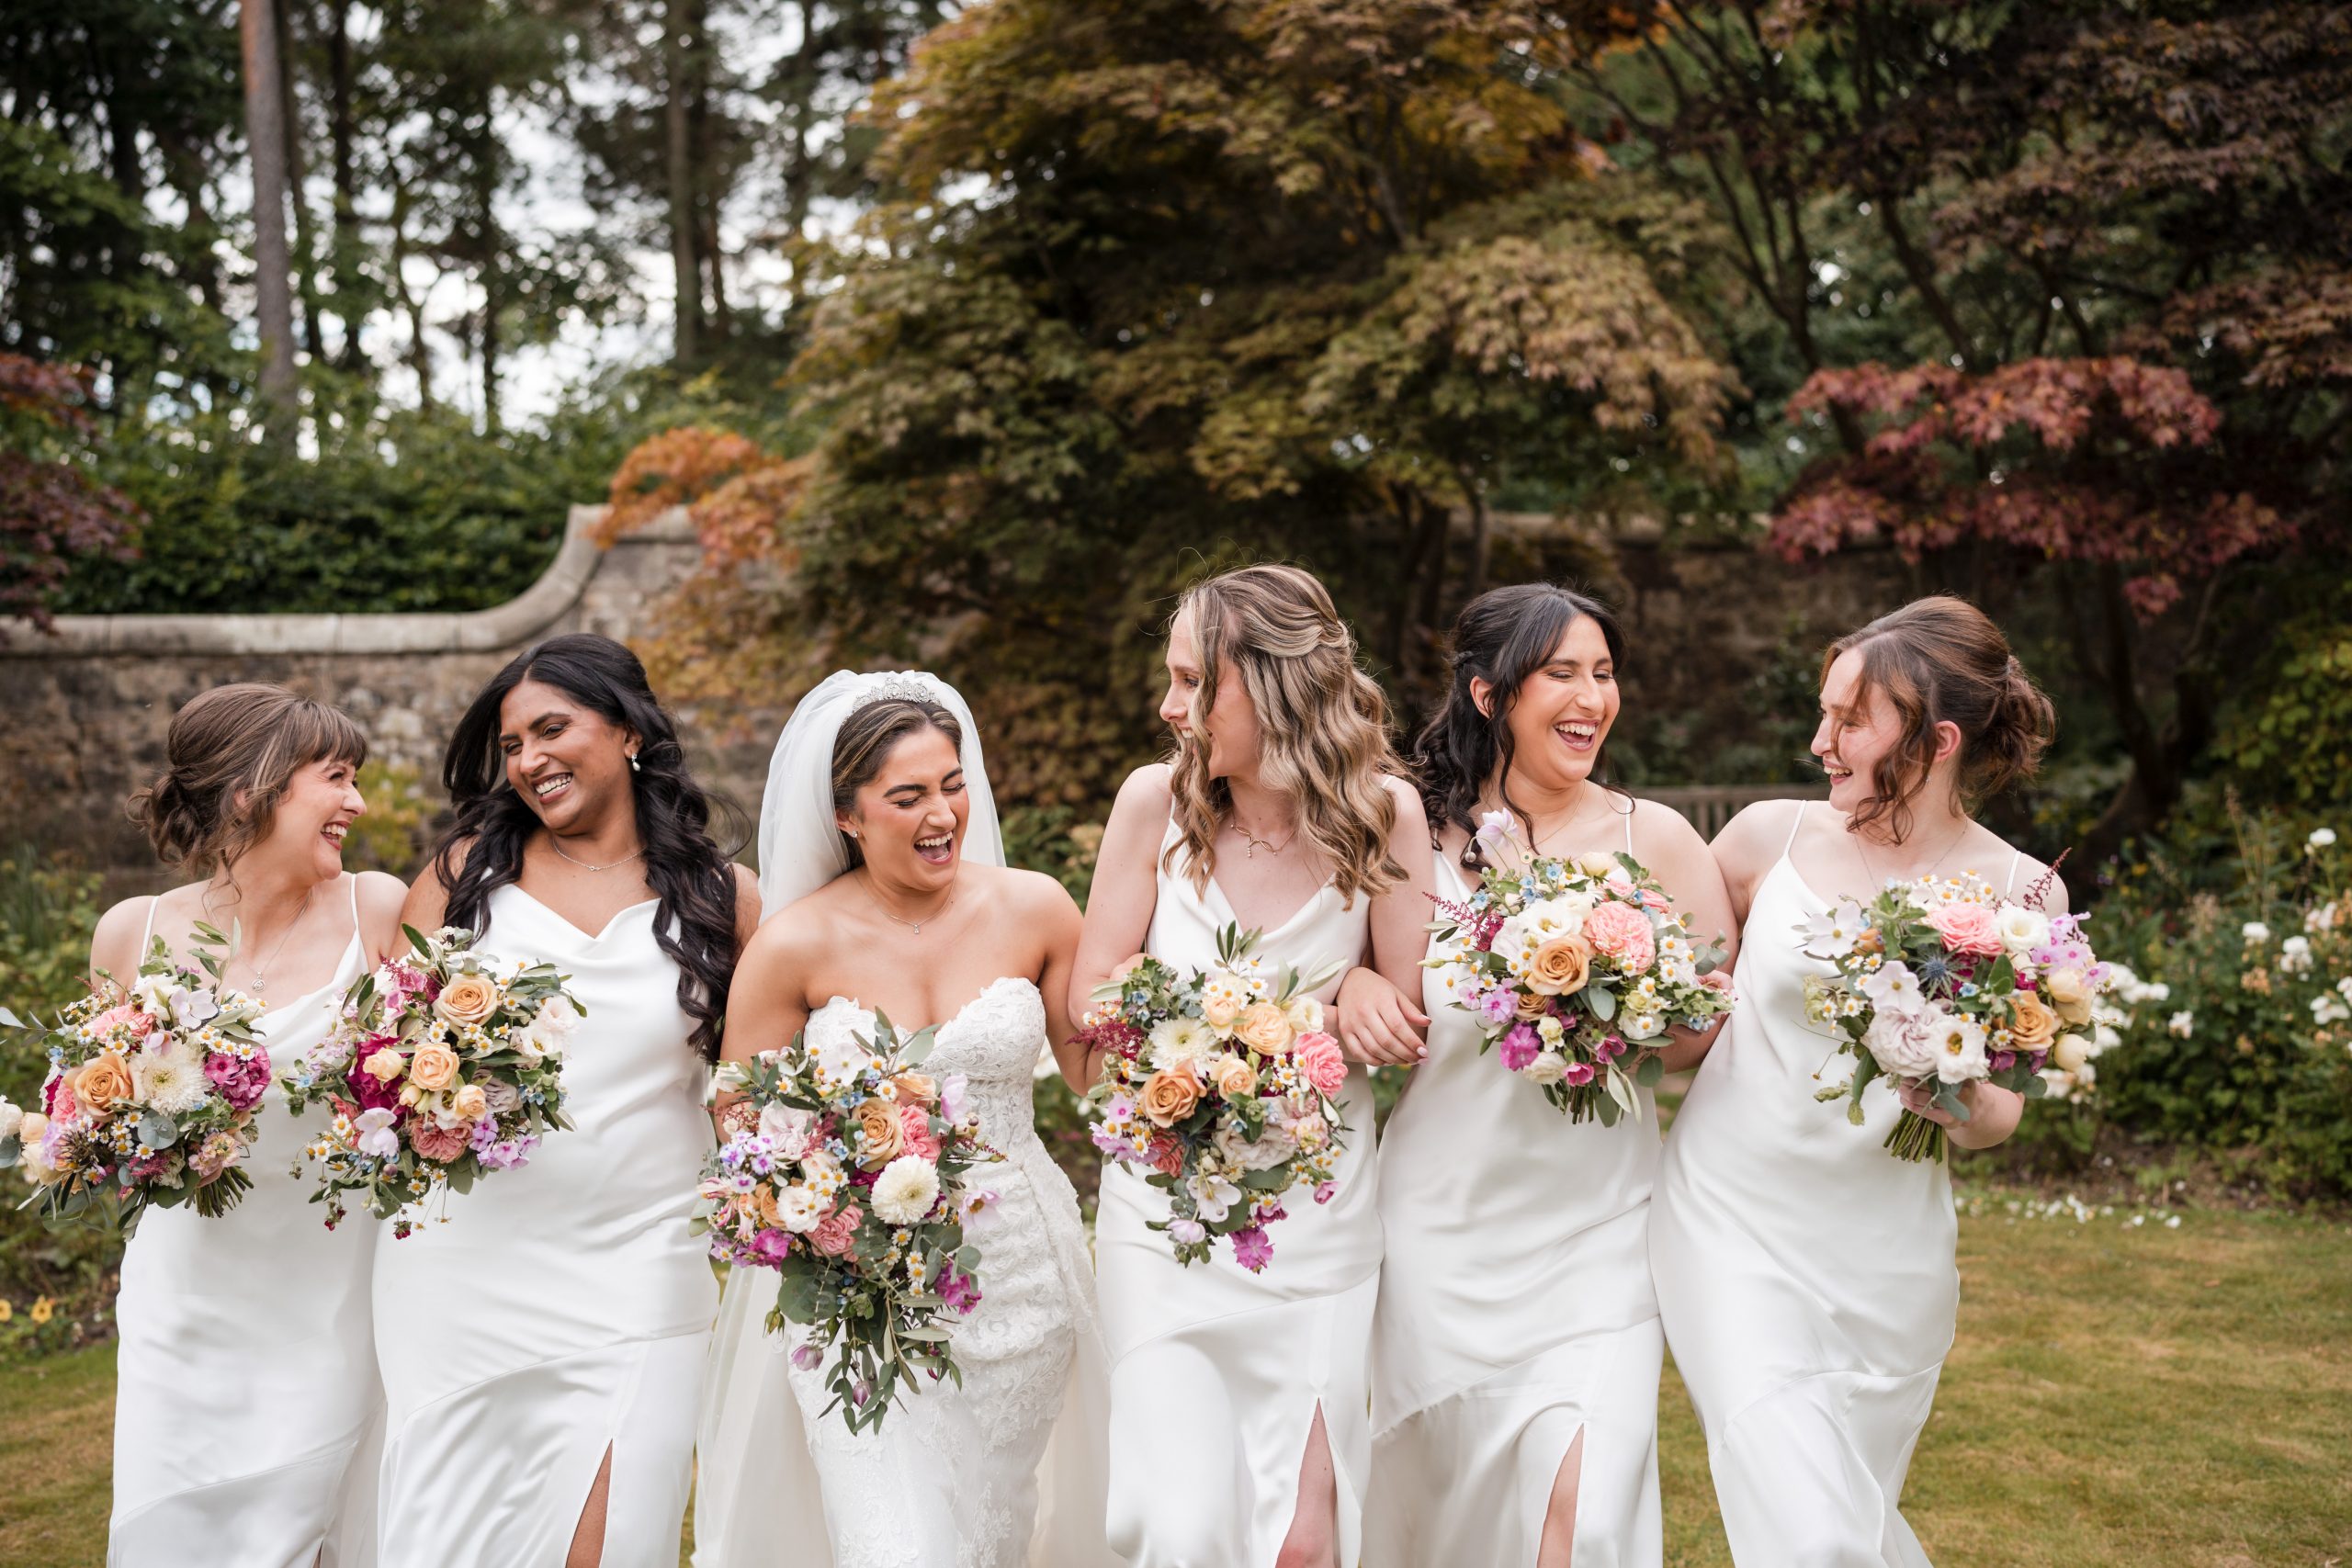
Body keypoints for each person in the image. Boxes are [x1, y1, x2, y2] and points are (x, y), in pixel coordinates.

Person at [1650, 596, 2060, 1566]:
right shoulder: (1763, 842)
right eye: (1823, 711)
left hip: (1888, 1259)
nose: (1818, 741)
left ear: (1938, 738)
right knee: (1811, 1531)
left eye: (1848, 720)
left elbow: (2000, 1112)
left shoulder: (2022, 894)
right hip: (1728, 1224)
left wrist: (1954, 1098)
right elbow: (1676, 1023)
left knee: (1849, 1516)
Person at [693, 670, 1114, 1568]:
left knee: (994, 1529)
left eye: (953, 785)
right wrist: (826, 1186)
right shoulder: (795, 942)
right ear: (846, 813)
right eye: (908, 796)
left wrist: (1214, 1057)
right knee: (898, 1545)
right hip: (860, 1292)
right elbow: (737, 1116)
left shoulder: (1036, 906)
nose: (943, 815)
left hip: (1018, 1284)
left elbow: (1097, 1070)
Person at [1357, 583, 1737, 1568]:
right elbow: (1355, 979)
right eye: (1562, 673)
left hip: (1597, 1235)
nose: (1591, 698)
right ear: (1490, 696)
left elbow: (1705, 1028)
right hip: (1439, 1229)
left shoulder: (1652, 840)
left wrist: (1649, 999)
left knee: (1583, 1518)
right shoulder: (1411, 835)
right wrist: (1353, 982)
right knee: (1432, 1517)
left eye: (1603, 674)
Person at [371, 634, 758, 1568]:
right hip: (464, 1271)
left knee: (618, 1540)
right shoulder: (464, 878)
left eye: (552, 729)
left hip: (641, 1264)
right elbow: (379, 1058)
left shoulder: (722, 898)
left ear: (627, 730)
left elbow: (751, 1091)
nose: (530, 760)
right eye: (511, 745)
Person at [1073, 564, 1432, 1568]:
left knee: (1300, 1543)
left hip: (1316, 1214)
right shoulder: (1156, 805)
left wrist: (1370, 988)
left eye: (1194, 682)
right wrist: (1315, 999)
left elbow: (1409, 1016)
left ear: (1275, 684)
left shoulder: (1384, 815)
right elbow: (1093, 995)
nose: (1168, 705)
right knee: (1182, 1528)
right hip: (1165, 1216)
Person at [98, 682, 406, 1568]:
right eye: (338, 777)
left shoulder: (376, 910)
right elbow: (98, 1106)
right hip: (185, 1295)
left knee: (314, 1526)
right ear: (251, 789)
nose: (357, 802)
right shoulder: (131, 932)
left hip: (334, 1290)